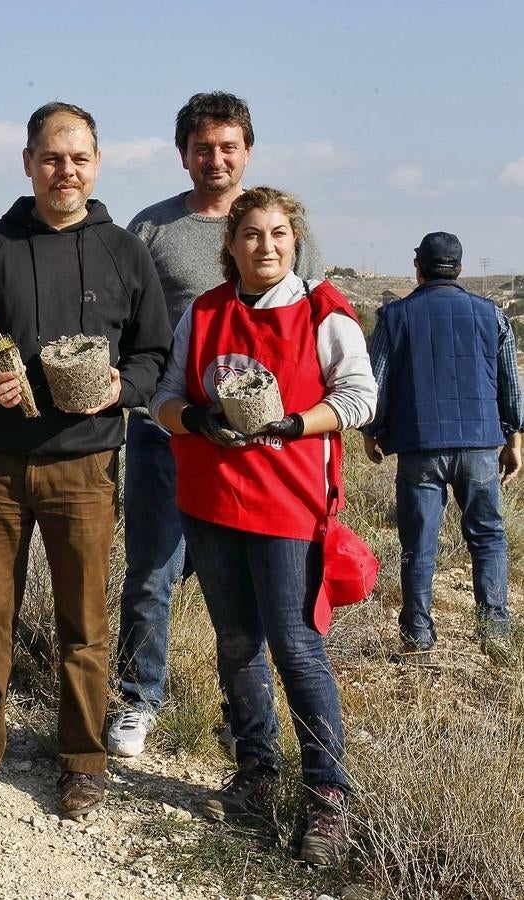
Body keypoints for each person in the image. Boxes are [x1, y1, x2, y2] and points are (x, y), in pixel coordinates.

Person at [0, 102, 171, 819]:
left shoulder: (125, 252)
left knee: (84, 622)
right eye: (51, 157)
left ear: (96, 163)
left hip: (86, 465)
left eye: (78, 158)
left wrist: (120, 390)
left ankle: (82, 760)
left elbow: (154, 353)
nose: (64, 170)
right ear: (28, 161)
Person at [150, 186, 375, 866]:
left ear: (294, 240)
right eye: (251, 235)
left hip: (288, 505)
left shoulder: (321, 311)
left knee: (297, 646)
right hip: (211, 501)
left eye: (278, 233)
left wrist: (294, 424)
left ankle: (327, 793)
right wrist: (198, 422)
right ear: (232, 245)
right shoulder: (206, 312)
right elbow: (164, 396)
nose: (265, 246)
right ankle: (256, 766)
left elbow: (361, 396)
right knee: (237, 638)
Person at [111, 92, 324, 758]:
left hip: (261, 445)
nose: (216, 158)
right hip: (168, 430)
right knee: (151, 571)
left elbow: (307, 328)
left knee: (253, 593)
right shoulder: (150, 228)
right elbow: (128, 329)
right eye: (203, 147)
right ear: (184, 154)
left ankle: (244, 721)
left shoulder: (282, 228)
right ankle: (137, 699)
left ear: (248, 151)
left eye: (228, 146)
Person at [361, 231, 522, 658]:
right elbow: (510, 384)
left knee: (419, 542)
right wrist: (514, 439)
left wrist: (371, 432)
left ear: (418, 268)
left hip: (419, 446)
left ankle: (417, 633)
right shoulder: (492, 315)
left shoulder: (394, 316)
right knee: (488, 537)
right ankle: (494, 632)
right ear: (461, 268)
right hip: (480, 445)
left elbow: (376, 384)